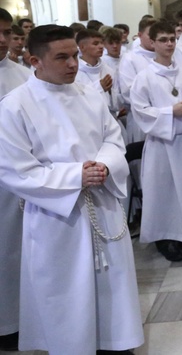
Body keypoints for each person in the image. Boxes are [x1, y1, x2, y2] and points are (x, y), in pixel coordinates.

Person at [0, 24, 143, 354]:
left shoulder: (88, 93)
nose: (73, 65)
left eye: (75, 56)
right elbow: (14, 169)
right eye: (62, 57)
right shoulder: (15, 106)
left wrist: (105, 165)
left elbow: (112, 136)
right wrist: (75, 176)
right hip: (56, 216)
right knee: (67, 293)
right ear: (34, 60)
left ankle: (116, 344)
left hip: (102, 204)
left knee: (112, 287)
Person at [130, 21, 182, 262]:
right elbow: (140, 111)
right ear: (152, 43)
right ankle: (166, 238)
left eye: (172, 39)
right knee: (164, 192)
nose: (169, 44)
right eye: (163, 40)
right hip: (161, 144)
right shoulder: (144, 77)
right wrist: (169, 112)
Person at [0, 9, 31, 352]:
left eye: (7, 32)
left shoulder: (24, 77)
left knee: (12, 252)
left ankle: (14, 320)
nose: (2, 39)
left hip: (17, 181)